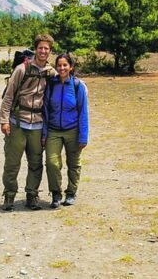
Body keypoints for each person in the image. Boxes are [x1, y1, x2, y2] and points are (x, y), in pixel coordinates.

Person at [0, 34, 56, 211]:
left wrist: (81, 87)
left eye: (47, 48)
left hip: (37, 125)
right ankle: (9, 196)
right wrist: (4, 120)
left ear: (50, 51)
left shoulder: (50, 72)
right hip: (17, 122)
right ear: (36, 49)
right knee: (12, 162)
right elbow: (8, 96)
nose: (43, 51)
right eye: (40, 48)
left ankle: (32, 195)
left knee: (36, 163)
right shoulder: (21, 69)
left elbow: (66, 79)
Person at [41, 53, 89, 209]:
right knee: (51, 163)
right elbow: (46, 110)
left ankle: (71, 193)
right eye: (59, 65)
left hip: (73, 130)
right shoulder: (51, 84)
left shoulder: (77, 86)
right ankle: (56, 194)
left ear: (71, 67)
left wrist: (83, 136)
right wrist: (45, 133)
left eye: (65, 65)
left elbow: (83, 112)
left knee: (74, 164)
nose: (62, 68)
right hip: (54, 130)